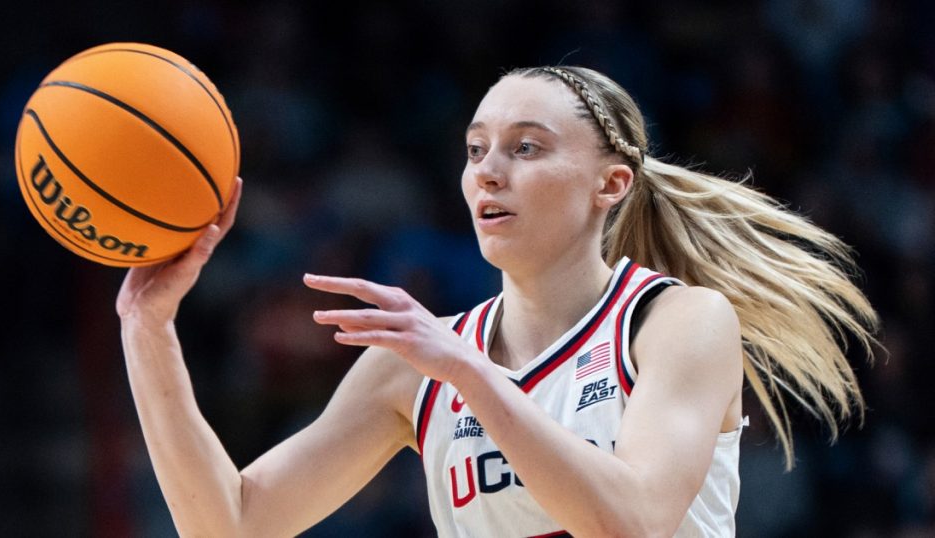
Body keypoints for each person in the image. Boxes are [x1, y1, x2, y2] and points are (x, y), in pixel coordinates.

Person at [116, 66, 878, 537]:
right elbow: (233, 526)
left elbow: (635, 523)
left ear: (610, 184)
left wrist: (474, 376)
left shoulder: (678, 323)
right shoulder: (415, 368)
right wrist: (147, 331)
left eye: (526, 147)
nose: (487, 171)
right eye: (476, 148)